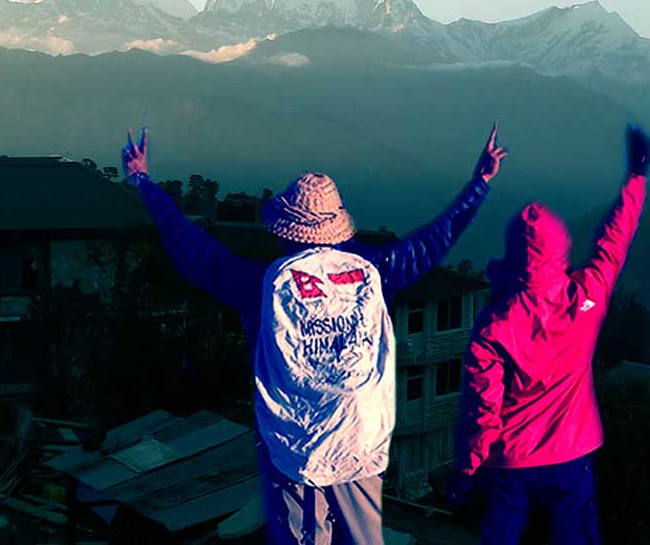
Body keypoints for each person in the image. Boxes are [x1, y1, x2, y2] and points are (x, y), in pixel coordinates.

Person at [120, 125, 507, 544]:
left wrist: (144, 182)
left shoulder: (263, 285)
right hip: (360, 433)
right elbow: (434, 242)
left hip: (293, 441)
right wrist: (479, 184)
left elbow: (194, 249)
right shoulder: (375, 270)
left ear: (284, 228)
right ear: (338, 223)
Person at [451, 124, 650, 545]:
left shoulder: (493, 325)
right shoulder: (587, 298)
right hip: (572, 455)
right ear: (561, 247)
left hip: (510, 463)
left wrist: (468, 472)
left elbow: (481, 410)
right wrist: (637, 177)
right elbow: (613, 242)